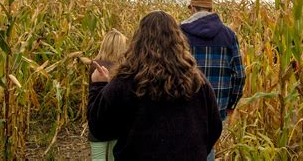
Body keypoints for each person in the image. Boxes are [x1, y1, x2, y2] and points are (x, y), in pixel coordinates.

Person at [88, 10, 222, 161]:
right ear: (178, 40)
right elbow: (215, 127)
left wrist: (98, 85)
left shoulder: (124, 81)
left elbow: (99, 128)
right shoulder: (198, 82)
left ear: (138, 40)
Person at [180, 0, 247, 161]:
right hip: (218, 107)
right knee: (207, 149)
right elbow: (239, 75)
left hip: (184, 105)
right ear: (211, 9)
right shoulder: (229, 35)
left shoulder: (179, 34)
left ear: (193, 8)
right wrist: (231, 103)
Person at [88, 29, 128, 161]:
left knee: (98, 159)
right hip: (118, 123)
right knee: (113, 157)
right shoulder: (124, 68)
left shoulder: (95, 66)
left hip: (98, 122)